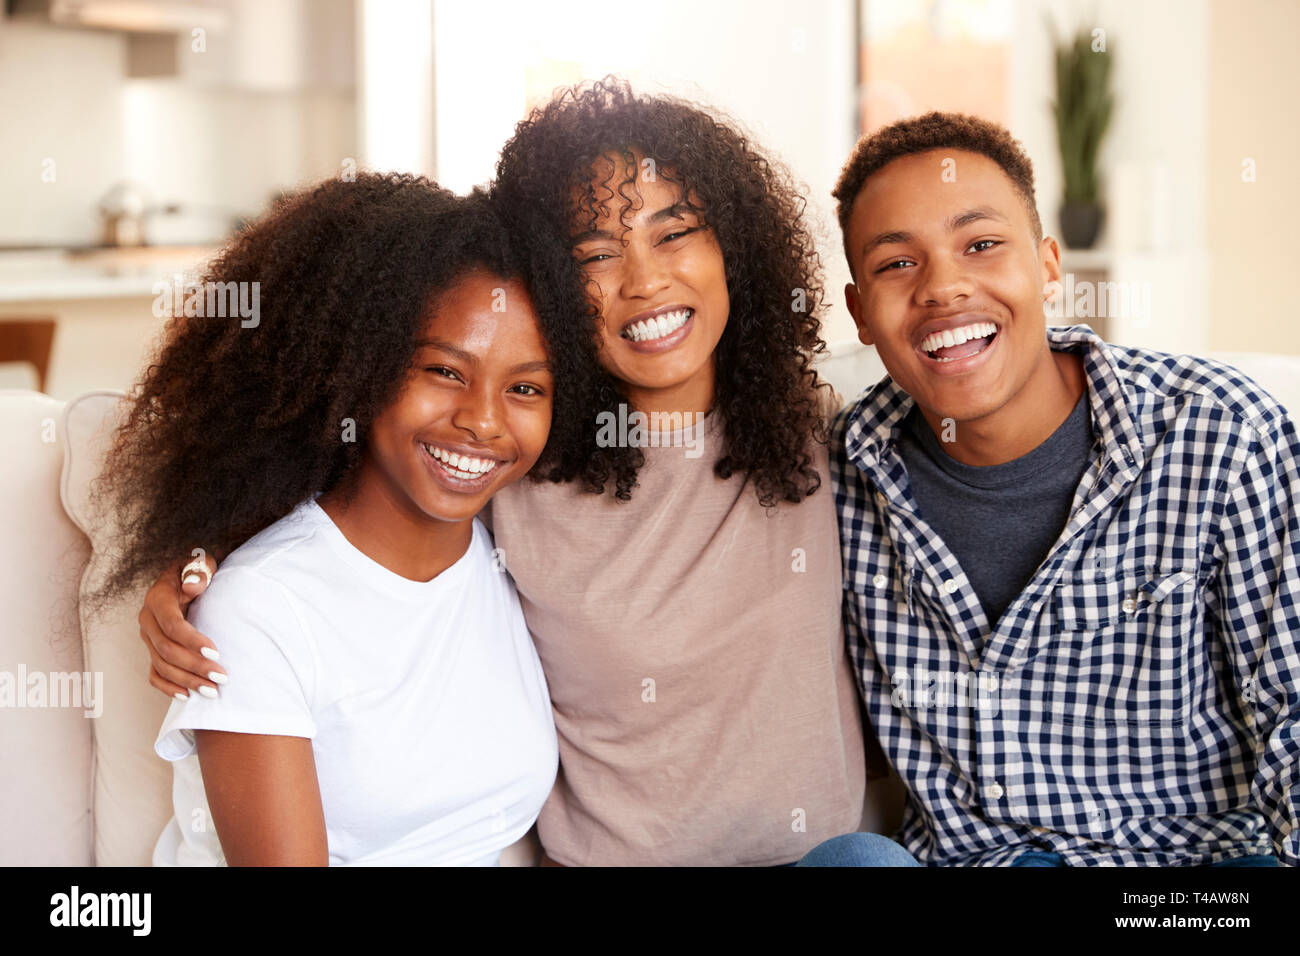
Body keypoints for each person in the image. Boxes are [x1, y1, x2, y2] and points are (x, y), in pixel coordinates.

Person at [135, 80, 916, 867]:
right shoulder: (525, 472)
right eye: (596, 254)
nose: (643, 279)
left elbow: (982, 400)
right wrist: (203, 557)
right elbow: (358, 494)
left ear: (733, 247)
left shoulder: (824, 429)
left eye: (674, 233)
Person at [818, 110, 1298, 866]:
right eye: (896, 265)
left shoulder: (1222, 436)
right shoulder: (835, 474)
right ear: (860, 315)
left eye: (981, 245)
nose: (943, 287)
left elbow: (1294, 709)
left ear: (1048, 266)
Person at [95, 175, 564, 865]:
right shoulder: (258, 610)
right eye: (442, 370)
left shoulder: (515, 555)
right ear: (355, 366)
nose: (484, 421)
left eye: (526, 387)